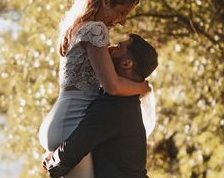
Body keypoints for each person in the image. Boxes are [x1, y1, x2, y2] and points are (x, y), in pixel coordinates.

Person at [38, 0, 151, 178]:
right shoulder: (96, 30)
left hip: (60, 119)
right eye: (121, 12)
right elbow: (113, 86)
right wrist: (142, 88)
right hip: (71, 125)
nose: (122, 20)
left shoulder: (79, 27)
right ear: (106, 1)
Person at [43, 34, 158, 178]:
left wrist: (50, 161)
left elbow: (73, 150)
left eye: (118, 47)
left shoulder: (114, 106)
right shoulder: (126, 102)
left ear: (127, 64)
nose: (110, 49)